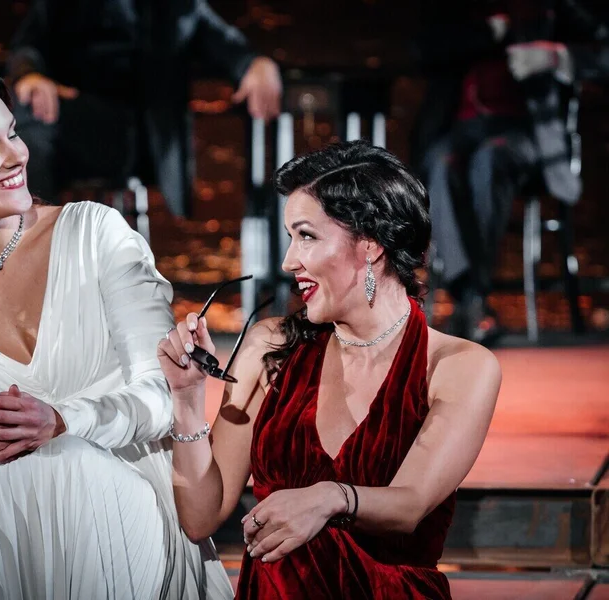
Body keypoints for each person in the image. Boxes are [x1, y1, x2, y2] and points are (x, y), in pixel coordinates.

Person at [0, 64, 233, 599]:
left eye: (13, 133)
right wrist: (19, 460)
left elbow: (160, 397)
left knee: (67, 461)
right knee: (43, 475)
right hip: (18, 525)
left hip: (138, 517)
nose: (17, 156)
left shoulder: (96, 234)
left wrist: (61, 423)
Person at [157, 141, 502, 599]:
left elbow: (410, 505)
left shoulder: (459, 366)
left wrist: (329, 497)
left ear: (370, 243)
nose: (288, 262)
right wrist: (186, 399)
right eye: (290, 237)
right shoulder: (272, 348)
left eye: (307, 236)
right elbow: (202, 517)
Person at [411, 0, 609, 343]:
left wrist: (557, 57)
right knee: (441, 165)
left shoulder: (558, 8)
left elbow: (603, 54)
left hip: (525, 132)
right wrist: (483, 34)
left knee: (489, 160)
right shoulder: (455, 12)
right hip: (460, 131)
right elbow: (420, 51)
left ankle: (469, 300)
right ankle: (472, 298)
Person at [6, 0, 283, 215]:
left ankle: (36, 242)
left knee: (30, 126)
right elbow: (27, 47)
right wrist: (31, 75)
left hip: (143, 139)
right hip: (76, 123)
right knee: (27, 117)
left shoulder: (179, 5)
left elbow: (223, 41)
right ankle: (35, 241)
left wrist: (255, 64)